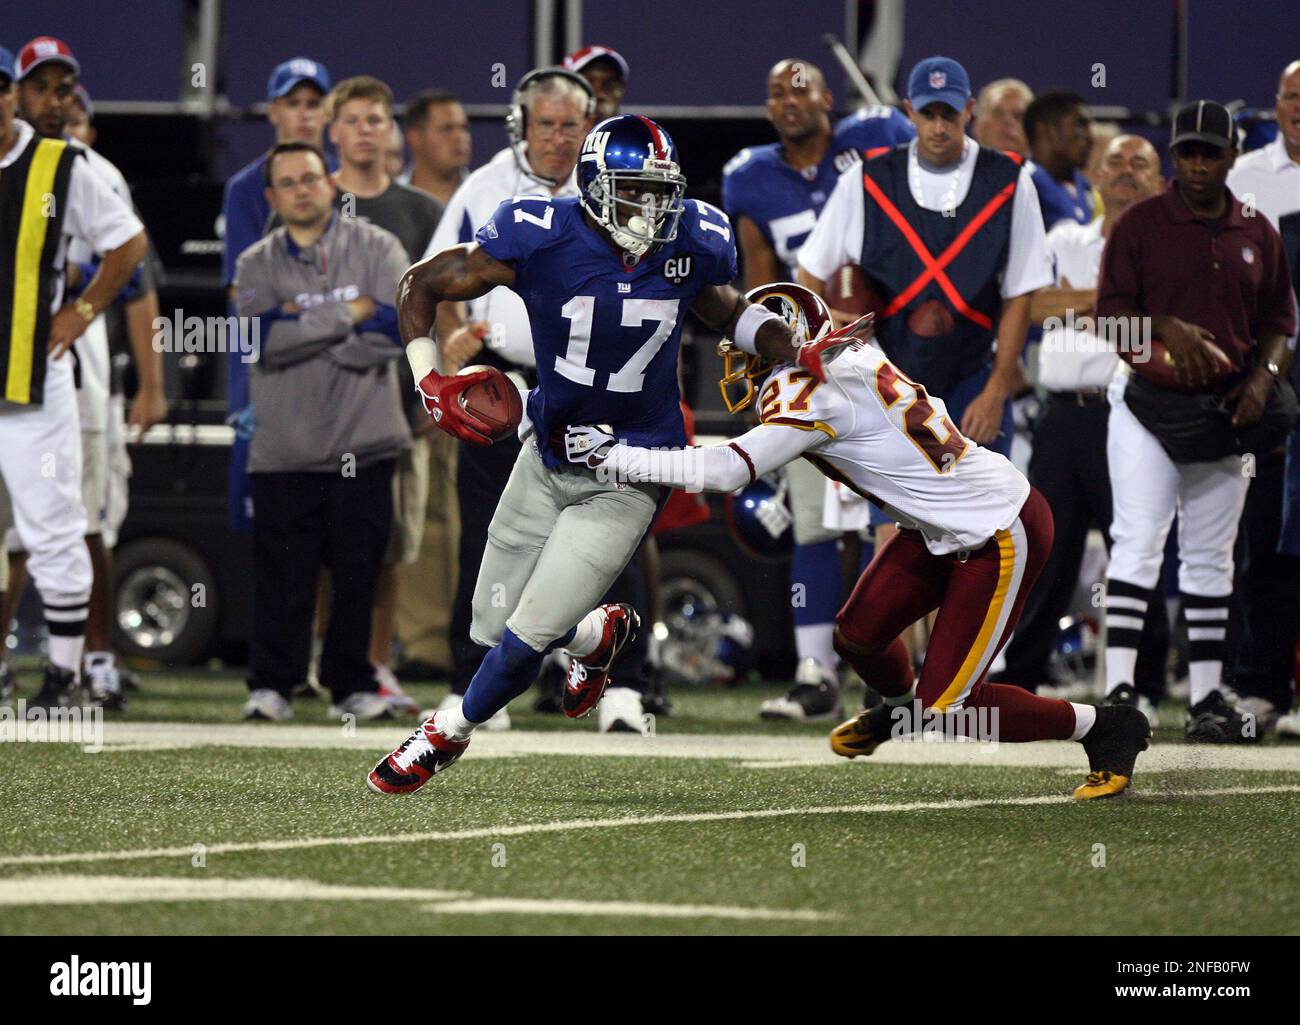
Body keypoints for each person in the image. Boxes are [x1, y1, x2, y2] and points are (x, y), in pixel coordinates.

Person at [368, 115, 864, 793]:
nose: (652, 209)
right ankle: (596, 638)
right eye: (636, 193)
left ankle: (444, 733)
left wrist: (790, 346)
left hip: (630, 468)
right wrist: (428, 378)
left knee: (523, 636)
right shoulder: (539, 232)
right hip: (545, 455)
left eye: (662, 193)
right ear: (597, 188)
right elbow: (420, 284)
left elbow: (727, 310)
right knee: (490, 621)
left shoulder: (693, 236)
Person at [564, 283, 1151, 801]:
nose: (744, 359)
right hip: (941, 525)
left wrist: (615, 457)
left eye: (756, 343)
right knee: (857, 636)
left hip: (998, 528)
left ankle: (1103, 726)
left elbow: (727, 471)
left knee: (952, 711)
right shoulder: (852, 356)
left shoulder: (814, 391)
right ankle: (901, 711)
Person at [1096, 100, 1296, 743]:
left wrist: (1264, 379)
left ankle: (1207, 693)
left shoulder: (1256, 229)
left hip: (1224, 409)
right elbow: (1109, 319)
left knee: (1211, 558)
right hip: (1149, 407)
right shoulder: (1140, 224)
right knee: (1138, 541)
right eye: (1189, 152)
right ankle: (1120, 689)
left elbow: (1279, 324)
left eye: (1212, 152)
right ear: (1176, 155)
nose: (1199, 163)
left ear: (1233, 156)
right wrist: (1163, 330)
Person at [722, 57, 912, 720]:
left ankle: (884, 668)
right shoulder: (750, 177)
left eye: (799, 86)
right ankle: (815, 673)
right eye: (774, 91)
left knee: (888, 516)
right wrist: (767, 361)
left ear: (830, 96)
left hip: (886, 356)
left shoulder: (873, 143)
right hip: (808, 363)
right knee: (815, 521)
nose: (787, 99)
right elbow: (758, 281)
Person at [419, 67, 594, 731]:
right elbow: (435, 277)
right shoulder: (485, 186)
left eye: (569, 124)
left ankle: (611, 676)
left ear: (587, 126)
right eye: (545, 124)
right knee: (492, 534)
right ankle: (478, 680)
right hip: (502, 381)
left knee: (599, 528)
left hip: (586, 378)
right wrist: (451, 342)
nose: (557, 137)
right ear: (522, 126)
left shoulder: (606, 185)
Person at [4, 37, 166, 710]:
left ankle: (65, 674)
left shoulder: (63, 163)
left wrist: (83, 308)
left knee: (54, 524)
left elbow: (129, 243)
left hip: (30, 382)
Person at [987, 135, 1170, 720]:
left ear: (1158, 180)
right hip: (1063, 414)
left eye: (1139, 163)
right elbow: (1030, 305)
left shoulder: (1168, 243)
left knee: (1135, 544)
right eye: (1113, 161)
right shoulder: (1065, 238)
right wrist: (1109, 304)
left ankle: (1144, 679)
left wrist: (1082, 306)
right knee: (1046, 543)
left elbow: (1160, 322)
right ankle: (1026, 672)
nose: (1124, 171)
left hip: (1135, 408)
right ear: (1093, 175)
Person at [233, 142, 411, 722]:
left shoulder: (379, 247)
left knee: (359, 575)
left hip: (365, 443)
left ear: (329, 184)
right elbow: (258, 341)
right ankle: (272, 688)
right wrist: (348, 315)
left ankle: (352, 686)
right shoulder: (254, 264)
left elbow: (396, 329)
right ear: (272, 197)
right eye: (288, 183)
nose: (301, 189)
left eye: (310, 177)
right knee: (282, 578)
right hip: (284, 451)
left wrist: (296, 323)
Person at [321, 75, 443, 713]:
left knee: (392, 543)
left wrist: (435, 389)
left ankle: (374, 661)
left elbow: (447, 305)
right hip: (324, 404)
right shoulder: (310, 199)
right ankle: (325, 662)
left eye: (378, 118)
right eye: (356, 119)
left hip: (397, 400)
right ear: (333, 129)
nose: (368, 129)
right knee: (323, 544)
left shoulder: (421, 211)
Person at [219, 57, 331, 534]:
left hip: (342, 387)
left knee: (342, 545)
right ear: (272, 112)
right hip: (266, 382)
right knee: (272, 542)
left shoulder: (344, 182)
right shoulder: (246, 190)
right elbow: (246, 292)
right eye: (292, 103)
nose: (304, 114)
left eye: (313, 103)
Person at [1224, 60, 1300, 735]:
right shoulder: (1243, 175)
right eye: (1293, 96)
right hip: (1271, 377)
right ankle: (1259, 683)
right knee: (1269, 532)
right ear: (1274, 104)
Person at [1024, 89, 1094, 229]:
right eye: (1080, 125)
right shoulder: (1022, 181)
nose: (1091, 138)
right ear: (1045, 131)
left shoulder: (1084, 185)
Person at [400, 89, 471, 205]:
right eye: (447, 129)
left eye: (464, 128)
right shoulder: (389, 202)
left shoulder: (486, 195)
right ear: (415, 137)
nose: (460, 137)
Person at [562, 45, 628, 122]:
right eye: (588, 83)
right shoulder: (546, 133)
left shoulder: (638, 133)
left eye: (609, 85)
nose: (599, 94)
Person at [973, 78, 1032, 157]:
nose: (1008, 121)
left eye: (1018, 116)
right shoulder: (959, 168)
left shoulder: (1042, 169)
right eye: (998, 114)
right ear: (979, 126)